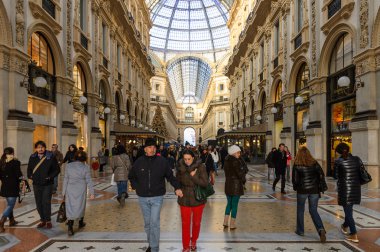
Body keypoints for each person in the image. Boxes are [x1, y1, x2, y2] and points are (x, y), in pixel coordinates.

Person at [128, 138, 183, 252]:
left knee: (154, 222)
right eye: (149, 147)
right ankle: (151, 244)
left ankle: (154, 248)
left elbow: (170, 176)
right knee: (147, 224)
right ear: (145, 149)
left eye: (154, 147)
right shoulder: (139, 162)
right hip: (143, 197)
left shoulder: (162, 161)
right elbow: (131, 176)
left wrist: (177, 187)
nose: (152, 149)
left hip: (157, 197)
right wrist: (136, 186)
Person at [292, 146, 327, 242]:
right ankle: (321, 229)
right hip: (314, 190)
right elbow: (321, 174)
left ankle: (300, 231)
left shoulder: (297, 164)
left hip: (302, 190)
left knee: (300, 210)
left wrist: (296, 187)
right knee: (313, 210)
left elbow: (294, 180)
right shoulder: (314, 163)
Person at [176, 150, 208, 252]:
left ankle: (193, 241)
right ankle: (185, 246)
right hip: (184, 198)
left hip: (198, 198)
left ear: (193, 158)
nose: (187, 161)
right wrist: (177, 189)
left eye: (189, 159)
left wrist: (194, 176)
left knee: (196, 223)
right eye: (185, 159)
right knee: (185, 223)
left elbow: (205, 183)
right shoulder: (180, 166)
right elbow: (177, 182)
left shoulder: (201, 167)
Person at [27, 141, 60, 229]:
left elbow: (57, 169)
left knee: (46, 202)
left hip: (47, 184)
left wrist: (50, 177)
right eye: (38, 147)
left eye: (42, 147)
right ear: (36, 148)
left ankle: (48, 220)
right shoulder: (32, 157)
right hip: (36, 184)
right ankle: (42, 220)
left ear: (45, 148)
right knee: (38, 203)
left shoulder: (50, 157)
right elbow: (29, 168)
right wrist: (30, 176)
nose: (40, 149)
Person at [334, 143, 362, 243]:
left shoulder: (338, 161)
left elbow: (336, 176)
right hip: (355, 188)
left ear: (339, 152)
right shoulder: (357, 159)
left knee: (348, 212)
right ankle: (345, 226)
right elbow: (361, 173)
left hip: (345, 189)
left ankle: (354, 234)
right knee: (349, 210)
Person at [62, 150, 95, 236]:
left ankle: (70, 225)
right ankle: (80, 222)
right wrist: (92, 192)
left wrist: (63, 192)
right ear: (84, 158)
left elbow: (65, 179)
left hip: (70, 189)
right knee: (80, 205)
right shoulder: (86, 167)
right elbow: (88, 180)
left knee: (70, 206)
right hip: (81, 189)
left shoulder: (68, 166)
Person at [223, 145, 246, 230]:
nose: (239, 154)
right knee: (235, 205)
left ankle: (225, 222)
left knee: (229, 204)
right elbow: (240, 174)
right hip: (236, 185)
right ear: (233, 153)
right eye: (238, 152)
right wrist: (243, 176)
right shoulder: (236, 162)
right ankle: (232, 224)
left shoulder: (226, 160)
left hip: (228, 184)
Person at [0, 147, 23, 232]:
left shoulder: (1, 162)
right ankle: (2, 221)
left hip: (5, 186)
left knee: (9, 204)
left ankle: (12, 220)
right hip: (13, 187)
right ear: (12, 153)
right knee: (10, 205)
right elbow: (18, 175)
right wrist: (23, 180)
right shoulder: (15, 162)